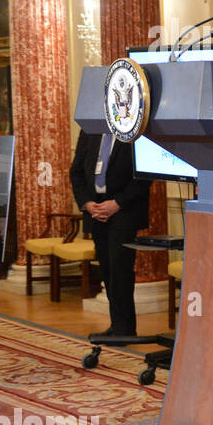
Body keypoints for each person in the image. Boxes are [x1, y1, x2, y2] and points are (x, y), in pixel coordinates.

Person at [69, 130, 152, 336]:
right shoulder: (90, 129)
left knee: (120, 269)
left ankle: (125, 328)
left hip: (124, 209)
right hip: (95, 210)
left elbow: (144, 175)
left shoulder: (133, 128)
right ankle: (117, 325)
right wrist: (87, 203)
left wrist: (117, 204)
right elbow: (77, 171)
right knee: (106, 269)